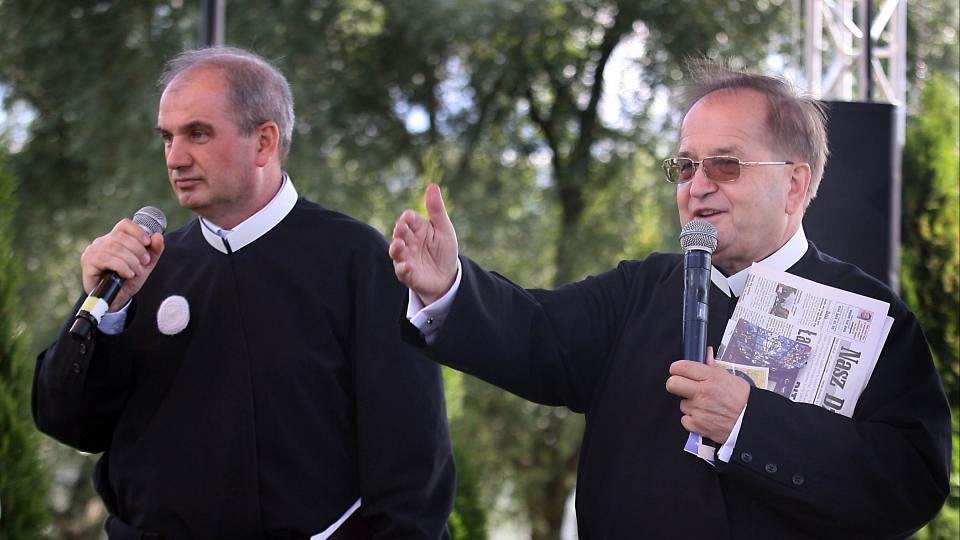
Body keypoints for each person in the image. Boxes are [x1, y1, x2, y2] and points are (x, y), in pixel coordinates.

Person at [389, 61, 951, 538]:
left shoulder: (872, 316)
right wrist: (449, 287)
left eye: (725, 165)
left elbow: (910, 482)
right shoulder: (637, 291)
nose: (698, 185)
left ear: (795, 185)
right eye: (685, 167)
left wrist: (748, 422)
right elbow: (535, 332)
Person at [33, 46, 454, 539]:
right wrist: (109, 315)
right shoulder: (140, 270)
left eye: (198, 133)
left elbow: (411, 460)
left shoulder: (356, 259)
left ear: (264, 142)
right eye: (167, 137)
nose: (175, 158)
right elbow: (68, 423)